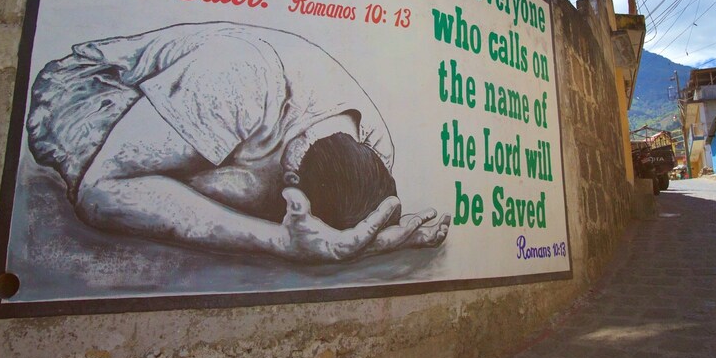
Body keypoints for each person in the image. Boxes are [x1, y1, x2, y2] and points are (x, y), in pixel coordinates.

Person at [26, 22, 449, 263]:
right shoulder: (238, 76)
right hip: (91, 91)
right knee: (240, 190)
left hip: (231, 121)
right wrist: (280, 242)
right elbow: (100, 191)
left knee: (240, 189)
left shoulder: (375, 146)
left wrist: (372, 238)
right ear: (293, 172)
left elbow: (337, 216)